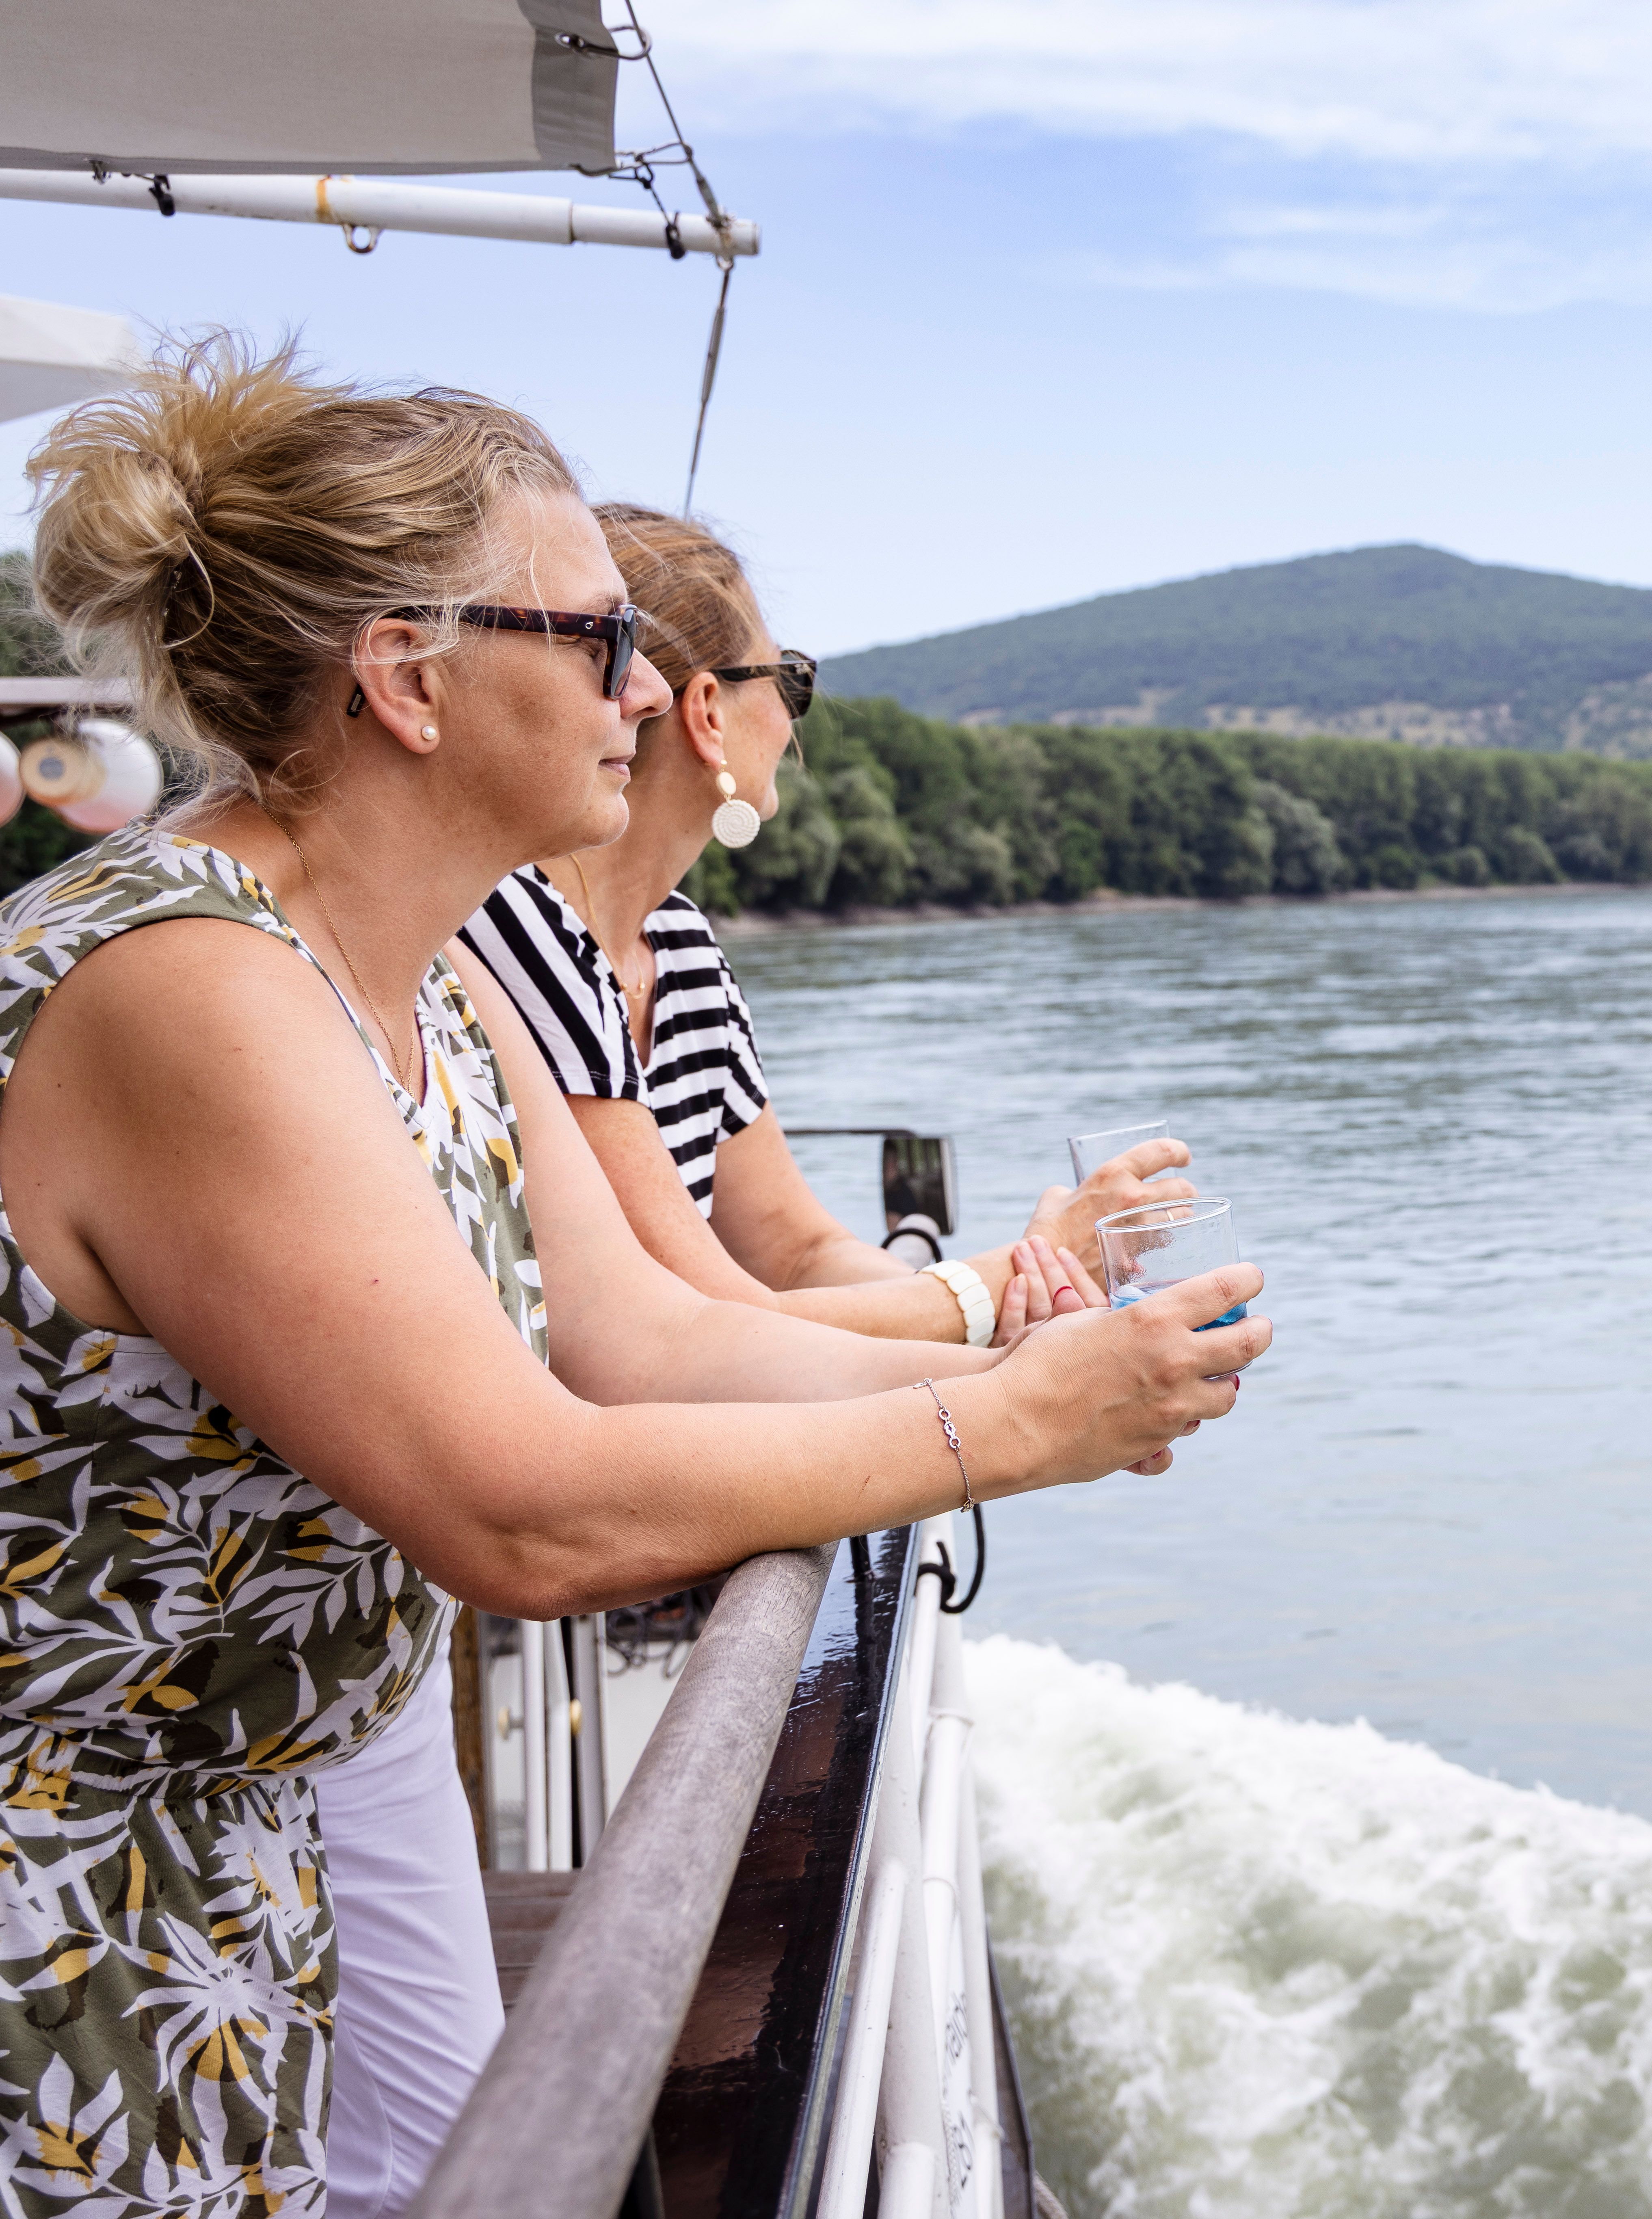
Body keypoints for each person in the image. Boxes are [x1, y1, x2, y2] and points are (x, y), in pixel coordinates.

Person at [0, 337, 1268, 2217]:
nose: (653, 690)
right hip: (59, 1896)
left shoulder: (423, 973)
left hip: (226, 1857)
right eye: (598, 639)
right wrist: (1005, 1428)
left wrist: (1037, 1364)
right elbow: (525, 1507)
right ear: (408, 678)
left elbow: (647, 1339)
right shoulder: (191, 985)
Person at [460, 501, 1168, 1352]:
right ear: (709, 713)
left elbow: (798, 1252)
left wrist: (1015, 1295)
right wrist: (1014, 1279)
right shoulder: (518, 927)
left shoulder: (679, 943)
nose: (796, 716)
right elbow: (704, 1314)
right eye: (789, 679)